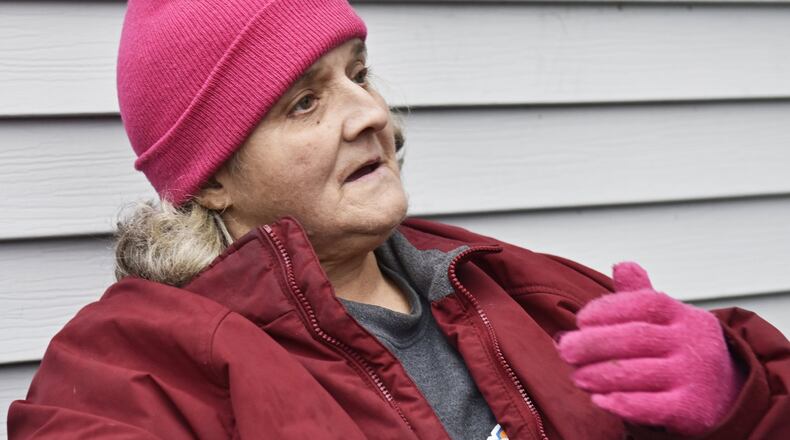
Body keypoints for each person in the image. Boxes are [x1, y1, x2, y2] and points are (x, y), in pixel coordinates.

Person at [7, 1, 790, 439]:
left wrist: (736, 398)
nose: (373, 114)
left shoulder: (506, 283)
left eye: (359, 75)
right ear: (212, 182)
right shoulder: (127, 370)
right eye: (305, 102)